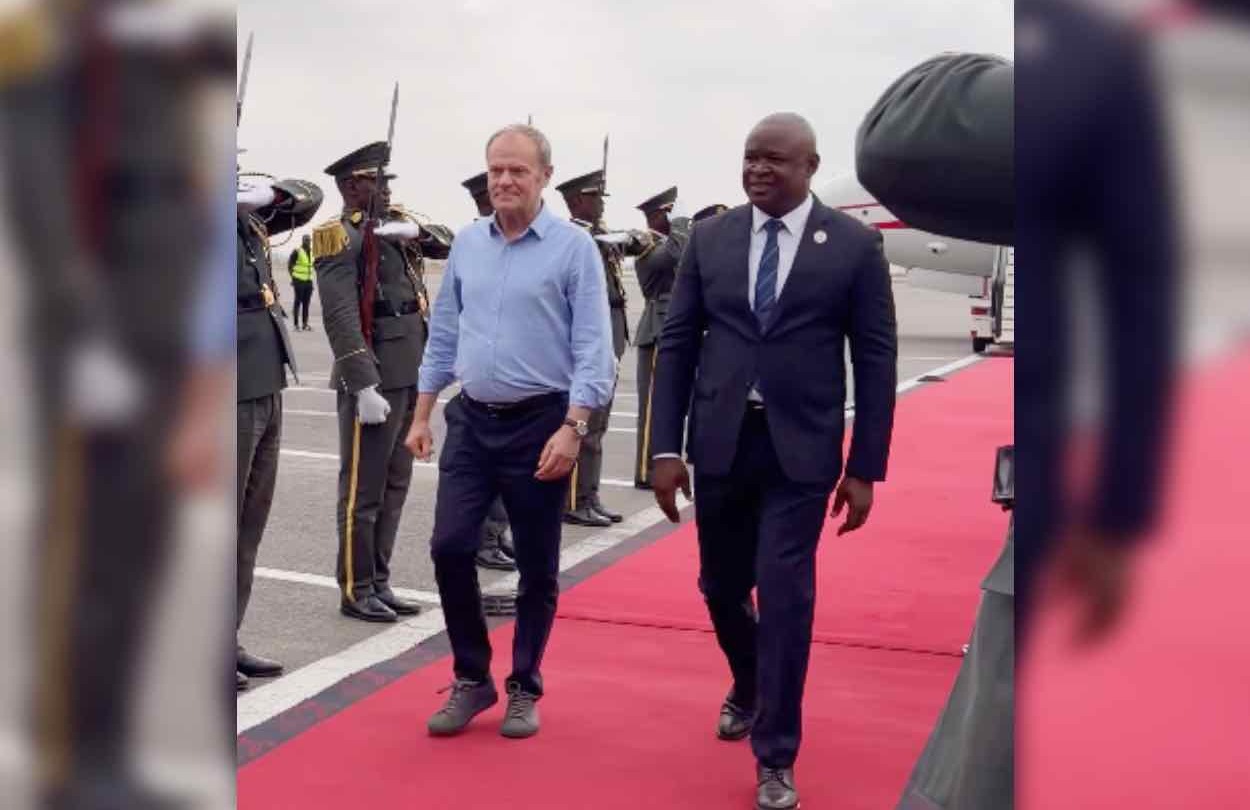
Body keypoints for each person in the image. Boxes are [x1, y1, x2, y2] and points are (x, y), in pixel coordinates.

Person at [650, 112, 898, 810]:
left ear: (810, 167)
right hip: (722, 444)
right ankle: (751, 679)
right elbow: (679, 343)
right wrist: (664, 448)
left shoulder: (853, 246)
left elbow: (875, 357)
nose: (757, 170)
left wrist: (865, 466)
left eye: (774, 160)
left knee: (786, 599)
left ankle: (777, 754)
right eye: (750, 157)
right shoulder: (711, 239)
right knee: (721, 586)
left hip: (802, 453)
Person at [406, 124, 615, 739]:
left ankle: (525, 684)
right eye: (496, 169)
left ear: (544, 176)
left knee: (537, 564)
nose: (503, 180)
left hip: (541, 424)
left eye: (517, 170)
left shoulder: (574, 249)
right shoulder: (469, 244)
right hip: (472, 421)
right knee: (450, 547)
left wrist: (574, 427)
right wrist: (421, 413)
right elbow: (445, 334)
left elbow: (593, 348)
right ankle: (473, 676)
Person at [313, 141, 443, 623]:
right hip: (374, 374)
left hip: (408, 369)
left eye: (387, 181)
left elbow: (446, 243)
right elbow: (341, 315)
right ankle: (356, 587)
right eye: (377, 181)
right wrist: (363, 382)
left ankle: (380, 581)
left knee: (394, 485)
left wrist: (415, 232)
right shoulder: (337, 237)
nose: (387, 190)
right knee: (363, 491)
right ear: (352, 186)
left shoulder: (394, 227)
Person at [235, 175, 320, 689]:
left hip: (266, 378)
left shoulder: (249, 221)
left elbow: (308, 200)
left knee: (249, 526)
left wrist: (272, 196)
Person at [555, 168, 647, 527]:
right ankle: (572, 500)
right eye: (595, 198)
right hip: (589, 341)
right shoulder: (573, 238)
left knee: (597, 428)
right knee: (583, 424)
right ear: (578, 200)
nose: (601, 205)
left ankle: (588, 495)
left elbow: (638, 245)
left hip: (610, 336)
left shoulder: (599, 236)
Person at [460, 170, 518, 573]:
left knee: (507, 470)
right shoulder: (475, 246)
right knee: (486, 470)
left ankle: (495, 534)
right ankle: (484, 539)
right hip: (486, 373)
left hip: (511, 370)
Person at [631, 185, 684, 489]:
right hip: (655, 331)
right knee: (651, 407)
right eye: (671, 213)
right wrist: (681, 225)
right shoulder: (647, 246)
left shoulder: (669, 244)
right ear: (658, 216)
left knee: (669, 405)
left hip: (672, 328)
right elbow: (675, 254)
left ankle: (662, 465)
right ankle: (645, 471)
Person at [287, 233, 315, 331]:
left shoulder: (311, 252)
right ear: (302, 241)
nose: (308, 242)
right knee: (297, 302)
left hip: (308, 281)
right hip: (298, 280)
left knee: (306, 303)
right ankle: (296, 325)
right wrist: (293, 278)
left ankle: (305, 324)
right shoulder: (297, 251)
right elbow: (290, 264)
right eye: (306, 240)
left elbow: (312, 265)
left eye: (309, 240)